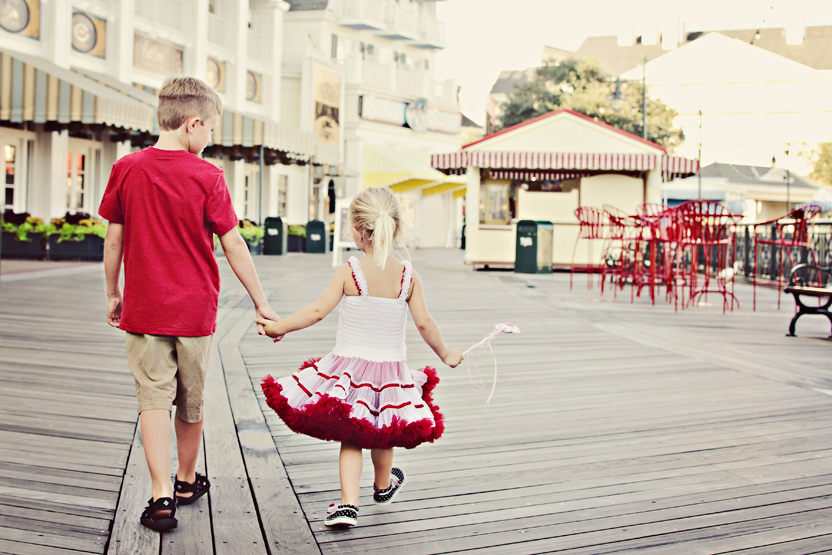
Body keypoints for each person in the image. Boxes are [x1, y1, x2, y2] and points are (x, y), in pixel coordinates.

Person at [100, 77, 280, 532]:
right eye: (212, 130)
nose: (211, 139)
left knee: (152, 402)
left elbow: (114, 239)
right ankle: (184, 479)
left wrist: (112, 293)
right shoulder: (208, 176)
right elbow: (233, 244)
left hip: (143, 310)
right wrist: (262, 303)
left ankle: (161, 496)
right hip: (195, 314)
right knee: (191, 402)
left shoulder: (127, 168)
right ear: (192, 124)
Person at [257, 186, 463, 528]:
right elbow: (425, 322)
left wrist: (279, 326)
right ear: (396, 228)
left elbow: (317, 311)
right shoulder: (408, 277)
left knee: (352, 435)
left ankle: (348, 504)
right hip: (390, 373)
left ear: (356, 229)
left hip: (349, 371)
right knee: (384, 428)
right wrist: (446, 353)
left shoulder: (349, 271)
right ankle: (383, 485)